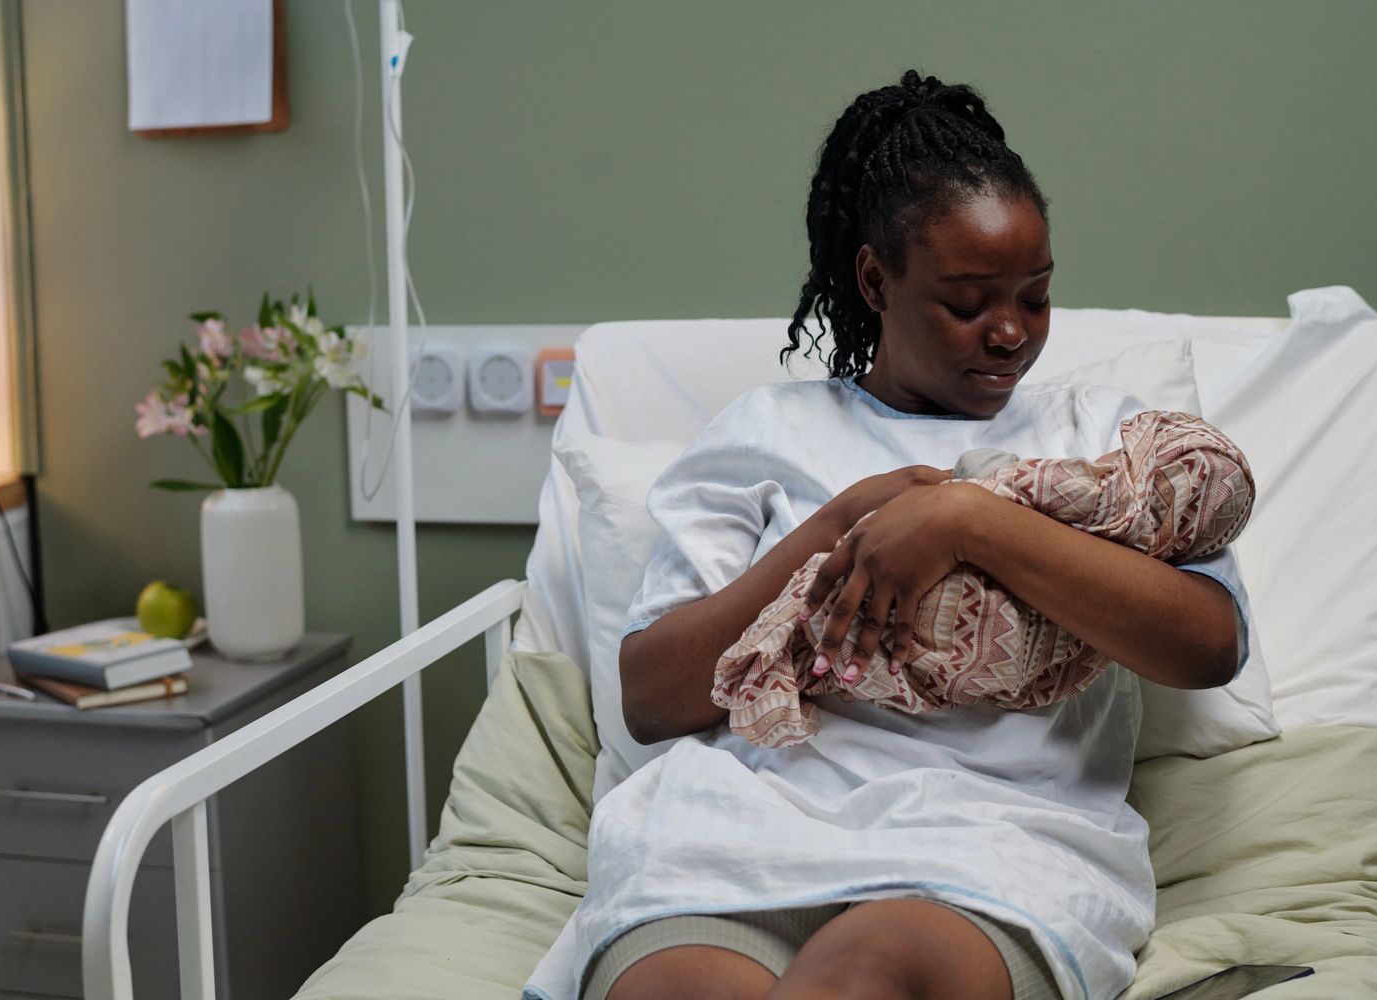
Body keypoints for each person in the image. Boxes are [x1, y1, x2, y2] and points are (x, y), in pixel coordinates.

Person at [527, 69, 1250, 1000]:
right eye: (968, 300)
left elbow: (1208, 644)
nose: (1010, 333)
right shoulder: (763, 434)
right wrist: (836, 528)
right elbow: (653, 699)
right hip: (738, 836)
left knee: (862, 979)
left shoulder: (1101, 443)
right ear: (877, 278)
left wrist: (966, 520)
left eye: (1034, 297)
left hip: (987, 844)